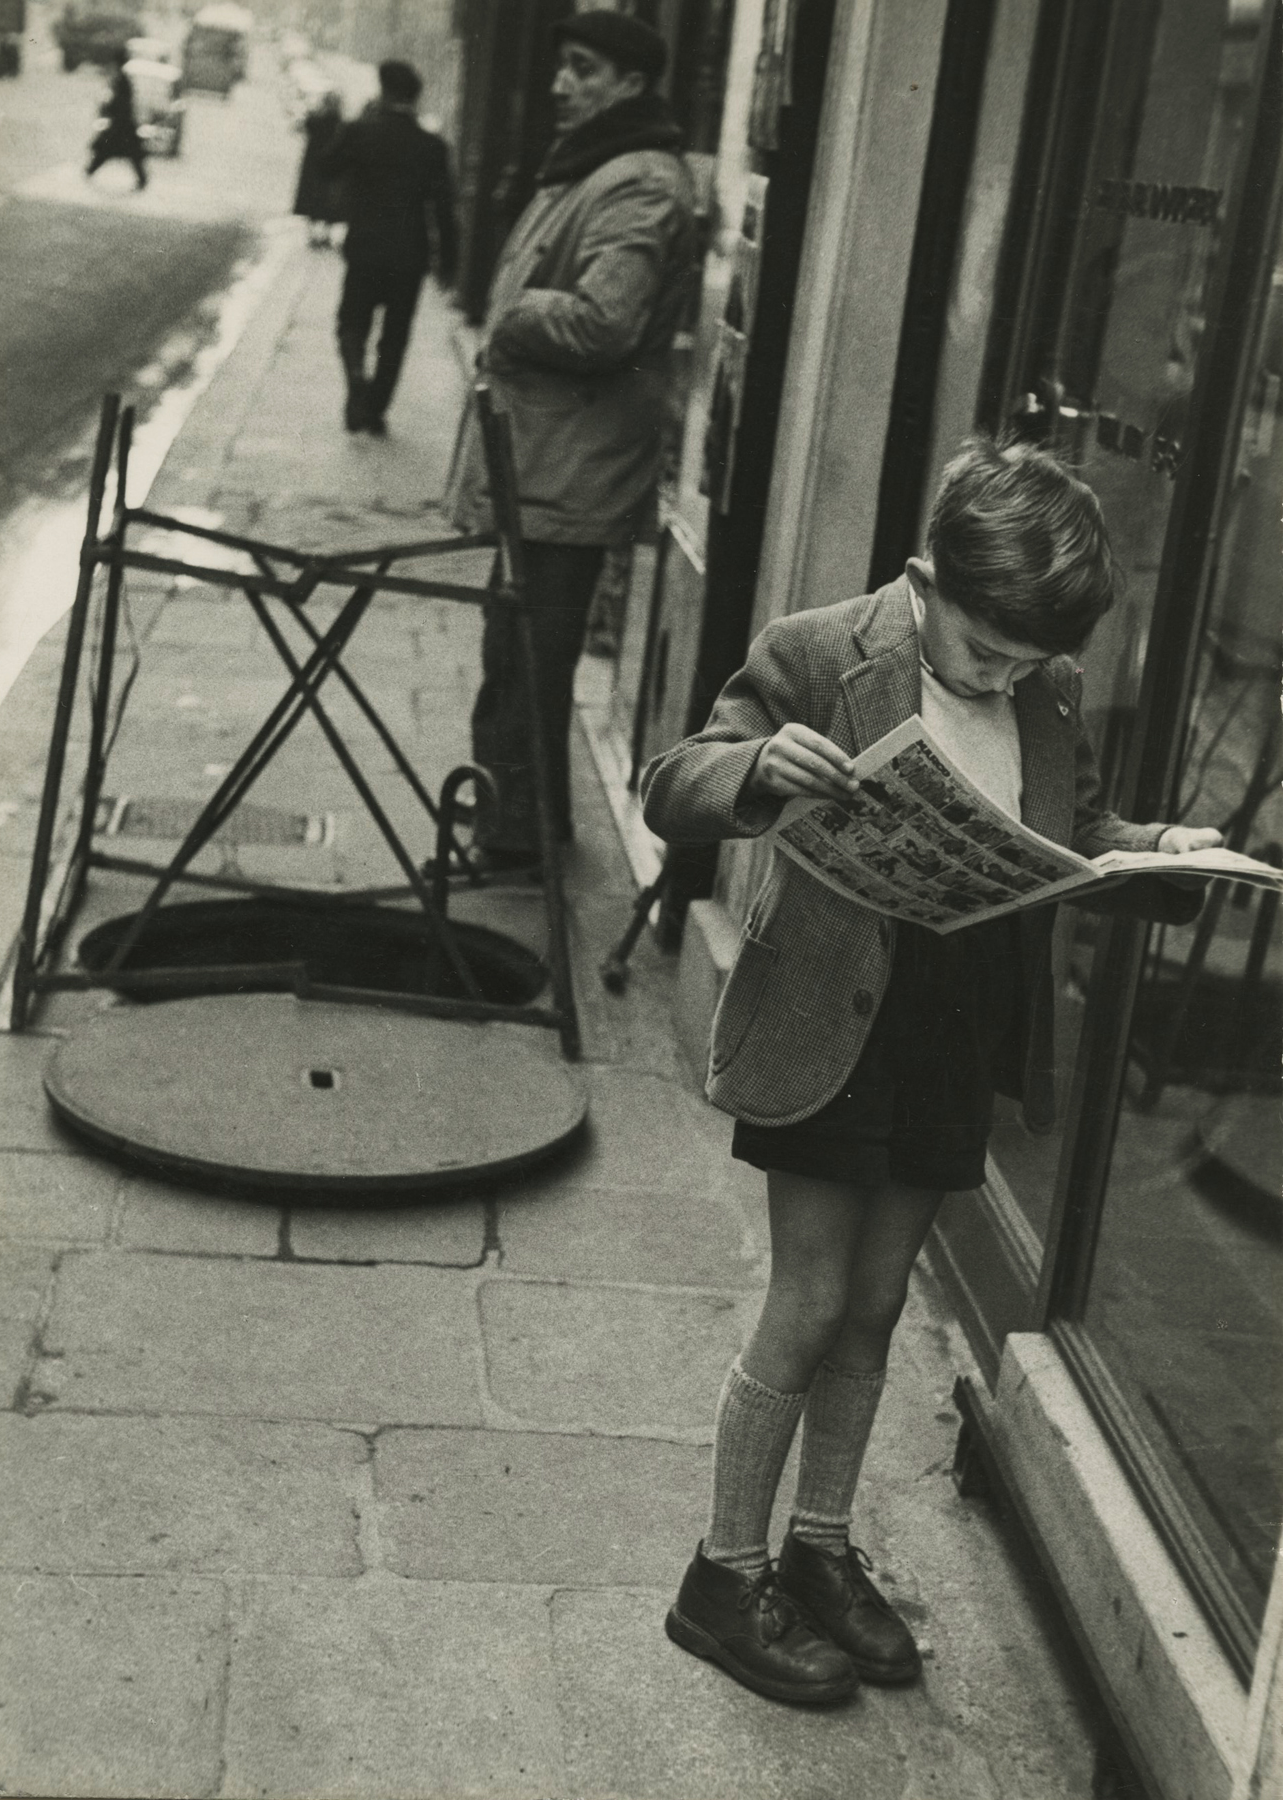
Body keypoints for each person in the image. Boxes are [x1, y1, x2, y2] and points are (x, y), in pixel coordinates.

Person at [640, 437, 1222, 1707]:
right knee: (807, 1298)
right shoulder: (818, 649)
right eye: (987, 653)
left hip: (955, 1028)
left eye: (1028, 664)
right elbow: (671, 782)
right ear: (922, 580)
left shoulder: (1046, 692)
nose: (1006, 677)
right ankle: (722, 1573)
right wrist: (754, 773)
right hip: (833, 1022)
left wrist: (1157, 854)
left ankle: (821, 1545)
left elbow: (1071, 837)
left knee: (880, 1299)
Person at [445, 10, 695, 878]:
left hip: (568, 470)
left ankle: (512, 851)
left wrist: (513, 315)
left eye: (581, 69)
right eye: (560, 68)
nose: (559, 85)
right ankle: (524, 832)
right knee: (517, 662)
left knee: (523, 666)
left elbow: (604, 321)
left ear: (629, 84)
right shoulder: (595, 168)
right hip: (552, 465)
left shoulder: (636, 184)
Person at [320, 61, 458, 436]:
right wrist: (448, 262)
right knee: (395, 336)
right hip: (409, 256)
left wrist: (348, 126)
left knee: (352, 323)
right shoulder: (432, 146)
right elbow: (444, 209)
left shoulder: (360, 132)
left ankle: (355, 384)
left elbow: (326, 166)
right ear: (415, 97)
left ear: (382, 91)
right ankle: (376, 408)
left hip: (364, 248)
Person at [87, 49, 148, 190]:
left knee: (109, 148)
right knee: (129, 152)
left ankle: (90, 170)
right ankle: (91, 170)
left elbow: (120, 102)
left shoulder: (121, 80)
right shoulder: (122, 79)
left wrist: (108, 108)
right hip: (123, 122)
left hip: (121, 123)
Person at [292, 88, 345, 248]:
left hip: (314, 167)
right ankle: (325, 236)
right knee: (329, 203)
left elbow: (301, 126)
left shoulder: (316, 120)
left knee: (312, 201)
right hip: (333, 168)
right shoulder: (340, 124)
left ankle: (313, 236)